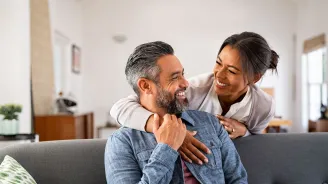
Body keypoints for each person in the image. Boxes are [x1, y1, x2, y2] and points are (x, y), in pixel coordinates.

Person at [110, 32, 279, 164]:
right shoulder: (194, 89)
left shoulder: (263, 107)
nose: (219, 74)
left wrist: (244, 131)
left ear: (254, 78)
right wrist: (170, 131)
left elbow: (256, 140)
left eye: (232, 71)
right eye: (218, 63)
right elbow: (120, 107)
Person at [105, 41, 247, 184]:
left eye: (183, 74)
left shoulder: (210, 123)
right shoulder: (122, 142)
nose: (186, 83)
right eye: (174, 77)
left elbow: (238, 179)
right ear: (146, 86)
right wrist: (166, 148)